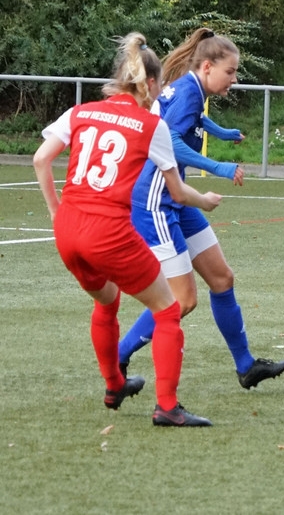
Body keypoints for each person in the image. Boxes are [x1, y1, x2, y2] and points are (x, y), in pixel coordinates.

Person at [33, 33, 218, 427]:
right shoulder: (151, 124)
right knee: (168, 309)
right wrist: (203, 200)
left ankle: (114, 385)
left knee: (107, 300)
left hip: (69, 229)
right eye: (159, 84)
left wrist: (55, 211)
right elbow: (177, 191)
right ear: (150, 83)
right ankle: (167, 406)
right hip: (109, 232)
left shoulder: (81, 111)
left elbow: (40, 159)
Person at [121, 27, 284, 389]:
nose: (235, 79)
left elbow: (193, 121)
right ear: (208, 67)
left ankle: (246, 366)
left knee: (221, 279)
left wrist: (223, 133)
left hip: (176, 198)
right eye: (230, 71)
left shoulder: (191, 89)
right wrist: (218, 167)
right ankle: (117, 356)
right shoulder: (188, 93)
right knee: (181, 300)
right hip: (155, 203)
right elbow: (170, 142)